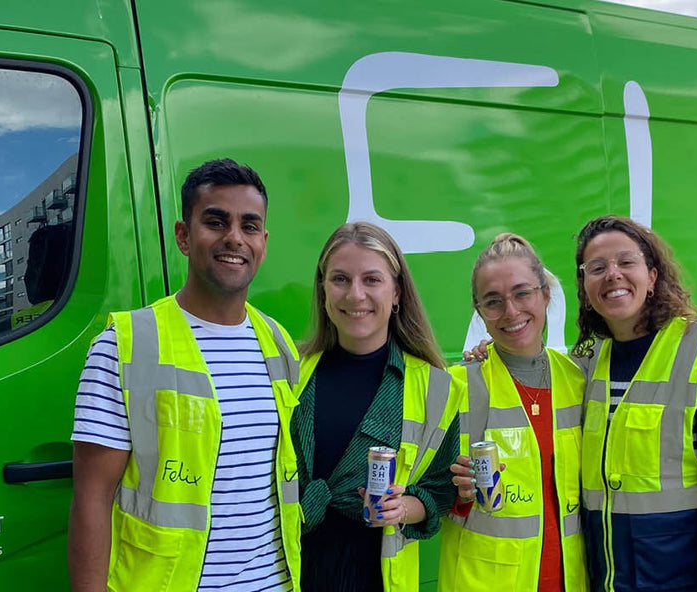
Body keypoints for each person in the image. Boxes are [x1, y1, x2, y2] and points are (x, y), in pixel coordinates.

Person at [68, 159, 302, 592]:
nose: (235, 237)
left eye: (250, 226)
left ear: (263, 242)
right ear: (183, 235)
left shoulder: (278, 342)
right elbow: (91, 500)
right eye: (216, 221)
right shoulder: (123, 346)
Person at [573, 215, 697, 592]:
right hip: (610, 580)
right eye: (597, 268)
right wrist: (489, 357)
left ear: (653, 276)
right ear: (584, 287)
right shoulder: (587, 361)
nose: (612, 275)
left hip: (685, 579)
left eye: (626, 262)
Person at [292, 221, 465, 592]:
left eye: (372, 280)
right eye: (340, 279)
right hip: (288, 569)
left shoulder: (437, 387)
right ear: (322, 291)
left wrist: (404, 508)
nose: (355, 295)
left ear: (397, 292)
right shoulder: (288, 372)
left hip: (377, 576)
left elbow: (440, 489)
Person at [440, 233, 589, 592]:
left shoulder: (580, 380)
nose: (511, 312)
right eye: (493, 302)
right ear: (479, 311)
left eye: (523, 293)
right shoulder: (454, 387)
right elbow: (425, 496)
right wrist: (457, 494)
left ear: (546, 295)